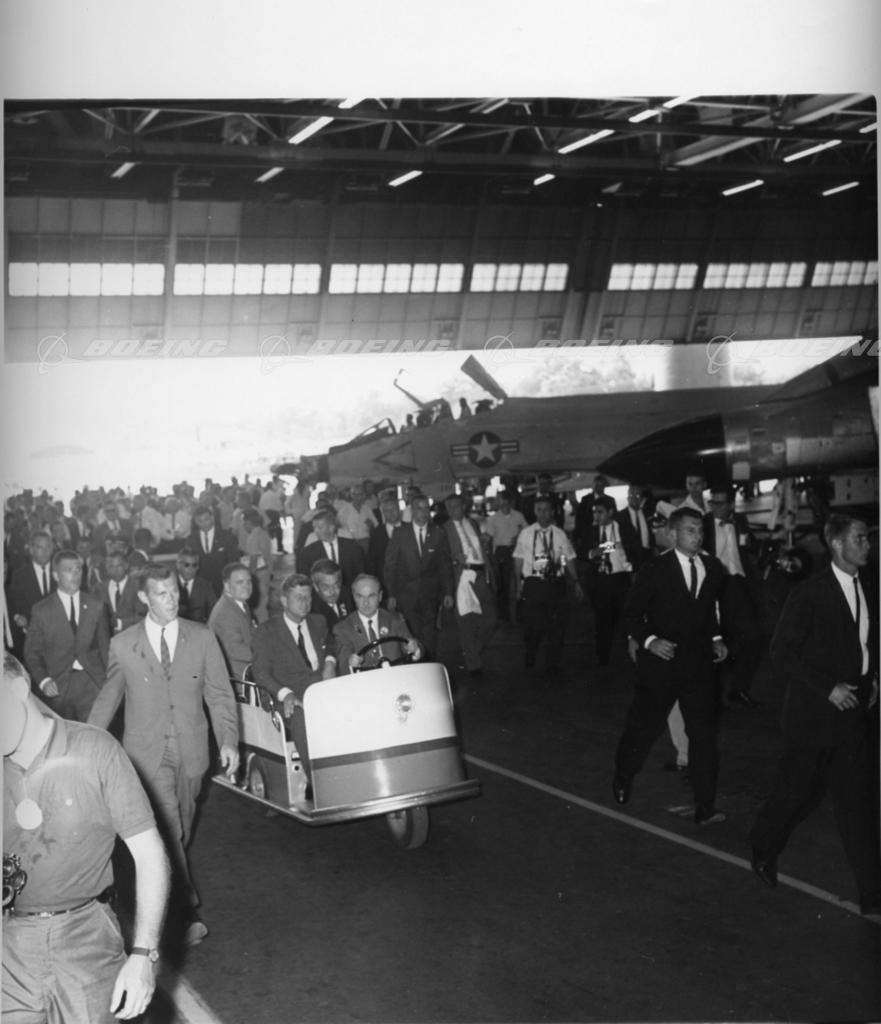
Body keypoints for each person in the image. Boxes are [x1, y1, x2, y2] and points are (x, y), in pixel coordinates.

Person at [2, 652, 171, 1023]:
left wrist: (144, 955)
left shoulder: (96, 750)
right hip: (10, 944)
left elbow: (149, 854)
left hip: (86, 937)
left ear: (17, 688)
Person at [88, 563, 239, 947]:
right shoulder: (124, 644)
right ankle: (185, 912)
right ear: (144, 597)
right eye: (162, 593)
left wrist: (229, 741)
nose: (172, 599)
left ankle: (155, 875)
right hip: (146, 753)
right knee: (168, 829)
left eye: (174, 591)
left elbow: (220, 695)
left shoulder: (202, 637)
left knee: (182, 827)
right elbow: (108, 698)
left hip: (192, 750)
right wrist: (86, 744)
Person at [749, 514, 881, 916]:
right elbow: (781, 653)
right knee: (797, 793)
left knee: (857, 803)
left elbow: (866, 642)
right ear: (837, 544)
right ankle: (763, 847)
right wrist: (828, 688)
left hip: (853, 714)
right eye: (860, 538)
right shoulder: (810, 593)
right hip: (812, 716)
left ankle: (873, 896)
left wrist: (873, 676)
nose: (868, 545)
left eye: (868, 538)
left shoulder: (868, 587)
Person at [613, 506, 728, 825]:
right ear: (673, 534)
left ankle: (705, 805)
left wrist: (717, 637)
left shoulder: (713, 567)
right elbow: (630, 615)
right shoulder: (654, 569)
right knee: (642, 728)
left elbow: (710, 610)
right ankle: (623, 774)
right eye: (690, 530)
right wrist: (650, 641)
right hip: (660, 665)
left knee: (703, 737)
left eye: (700, 530)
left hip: (698, 666)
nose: (698, 536)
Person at [251, 573, 337, 778]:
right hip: (290, 698)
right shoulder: (266, 631)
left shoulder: (318, 621)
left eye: (308, 597)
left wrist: (330, 661)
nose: (305, 603)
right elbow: (260, 672)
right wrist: (286, 694)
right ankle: (317, 781)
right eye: (299, 597)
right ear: (284, 600)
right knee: (301, 718)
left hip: (322, 691)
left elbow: (332, 642)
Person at [23, 548, 110, 722]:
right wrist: (44, 680)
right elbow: (31, 653)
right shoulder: (42, 610)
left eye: (78, 569)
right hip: (58, 687)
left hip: (92, 684)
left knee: (94, 734)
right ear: (56, 575)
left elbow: (105, 649)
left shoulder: (96, 606)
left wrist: (109, 684)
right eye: (68, 570)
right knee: (66, 736)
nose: (75, 575)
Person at [702, 486, 764, 708]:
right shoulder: (703, 523)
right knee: (716, 640)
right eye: (712, 502)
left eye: (719, 503)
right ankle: (712, 695)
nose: (714, 507)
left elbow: (750, 547)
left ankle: (739, 688)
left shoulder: (740, 520)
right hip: (714, 586)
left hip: (738, 584)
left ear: (730, 505)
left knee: (754, 637)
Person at [512, 496, 582, 676]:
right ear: (535, 512)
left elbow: (568, 558)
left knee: (557, 625)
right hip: (533, 583)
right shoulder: (526, 533)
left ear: (552, 512)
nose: (543, 514)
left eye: (546, 510)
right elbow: (518, 559)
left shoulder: (559, 534)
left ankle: (553, 664)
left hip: (555, 583)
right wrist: (518, 584)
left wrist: (575, 581)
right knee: (534, 625)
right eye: (539, 510)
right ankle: (531, 650)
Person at [383, 494, 454, 659]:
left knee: (429, 635)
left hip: (430, 594)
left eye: (426, 508)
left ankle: (428, 663)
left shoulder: (438, 532)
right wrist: (391, 594)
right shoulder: (400, 533)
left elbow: (444, 565)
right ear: (412, 511)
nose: (423, 512)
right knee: (410, 635)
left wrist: (448, 592)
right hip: (406, 595)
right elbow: (390, 566)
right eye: (419, 508)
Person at [442, 493, 497, 675]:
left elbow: (480, 549)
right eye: (449, 507)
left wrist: (486, 545)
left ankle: (472, 650)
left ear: (463, 507)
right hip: (461, 576)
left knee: (490, 618)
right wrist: (454, 560)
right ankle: (473, 663)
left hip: (479, 574)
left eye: (456, 506)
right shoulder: (444, 529)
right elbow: (442, 558)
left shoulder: (473, 523)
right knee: (465, 621)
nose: (452, 510)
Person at [332, 574, 421, 673]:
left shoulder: (395, 620)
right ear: (353, 597)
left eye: (371, 596)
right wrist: (350, 662)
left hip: (395, 677)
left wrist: (415, 649)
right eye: (360, 596)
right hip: (364, 681)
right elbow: (344, 664)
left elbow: (413, 645)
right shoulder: (343, 628)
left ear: (380, 596)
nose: (365, 603)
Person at [583, 496, 633, 667]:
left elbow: (630, 548)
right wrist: (592, 553)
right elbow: (582, 551)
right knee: (602, 621)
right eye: (594, 512)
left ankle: (630, 656)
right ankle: (602, 658)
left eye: (600, 512)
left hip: (620, 579)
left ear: (611, 512)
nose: (596, 516)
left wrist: (607, 547)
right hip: (600, 580)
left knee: (625, 619)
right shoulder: (590, 531)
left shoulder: (623, 528)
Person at [5, 530, 56, 658]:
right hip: (31, 640)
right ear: (31, 550)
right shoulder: (20, 576)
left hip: (58, 640)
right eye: (40, 547)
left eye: (48, 547)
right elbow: (15, 607)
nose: (44, 551)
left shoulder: (60, 572)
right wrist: (18, 617)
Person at [483, 490, 527, 621]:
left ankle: (519, 613)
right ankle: (504, 616)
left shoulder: (518, 516)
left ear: (507, 501)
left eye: (500, 499)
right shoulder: (493, 519)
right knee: (502, 585)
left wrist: (518, 536)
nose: (499, 502)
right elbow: (488, 537)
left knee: (519, 581)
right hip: (501, 553)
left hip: (516, 550)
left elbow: (527, 530)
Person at [208, 563, 256, 680]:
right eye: (240, 582)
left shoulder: (239, 603)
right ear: (227, 586)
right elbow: (235, 650)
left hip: (248, 668)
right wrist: (268, 654)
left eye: (249, 581)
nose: (246, 586)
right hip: (239, 677)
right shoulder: (225, 612)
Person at [299, 507, 366, 590]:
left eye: (320, 528)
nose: (316, 531)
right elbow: (305, 580)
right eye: (314, 528)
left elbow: (360, 573)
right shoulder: (308, 552)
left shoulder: (352, 547)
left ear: (332, 527)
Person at [189, 504, 240, 596]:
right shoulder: (191, 539)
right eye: (200, 521)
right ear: (195, 522)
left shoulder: (226, 536)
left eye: (206, 519)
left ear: (212, 518)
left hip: (222, 583)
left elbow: (233, 561)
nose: (204, 524)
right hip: (200, 584)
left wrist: (231, 581)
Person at [96, 550, 146, 634]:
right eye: (111, 566)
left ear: (126, 565)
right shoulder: (99, 589)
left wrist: (119, 623)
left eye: (119, 566)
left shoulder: (138, 587)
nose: (115, 570)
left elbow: (142, 617)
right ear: (106, 568)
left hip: (133, 636)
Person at [240, 508, 272, 623]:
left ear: (249, 522)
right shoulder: (263, 533)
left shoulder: (253, 536)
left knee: (259, 605)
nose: (243, 526)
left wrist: (250, 577)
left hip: (258, 573)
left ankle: (263, 626)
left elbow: (253, 559)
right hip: (266, 571)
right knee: (264, 600)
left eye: (244, 523)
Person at [366, 494, 403, 591]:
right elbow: (372, 562)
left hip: (408, 584)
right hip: (384, 584)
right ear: (383, 513)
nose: (391, 513)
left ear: (399, 509)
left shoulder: (410, 529)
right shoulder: (376, 534)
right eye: (387, 510)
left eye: (393, 509)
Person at [616, 484, 654, 571]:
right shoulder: (620, 517)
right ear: (627, 498)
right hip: (629, 559)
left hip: (647, 557)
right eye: (631, 495)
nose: (634, 498)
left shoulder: (648, 514)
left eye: (637, 495)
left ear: (642, 499)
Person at [175, 548, 217, 624]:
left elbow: (214, 614)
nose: (191, 569)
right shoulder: (170, 584)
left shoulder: (206, 586)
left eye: (194, 565)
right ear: (178, 565)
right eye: (186, 565)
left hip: (199, 628)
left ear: (198, 567)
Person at [335, 482, 378, 555]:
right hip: (350, 542)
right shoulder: (344, 509)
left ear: (364, 495)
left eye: (360, 494)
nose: (357, 497)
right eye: (354, 494)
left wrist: (371, 525)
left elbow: (375, 525)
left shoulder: (367, 509)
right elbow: (338, 527)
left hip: (365, 541)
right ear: (351, 495)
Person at [309, 559, 351, 629]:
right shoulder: (312, 611)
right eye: (326, 587)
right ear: (316, 587)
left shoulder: (347, 596)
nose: (332, 592)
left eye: (336, 585)